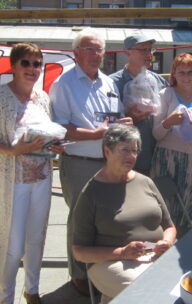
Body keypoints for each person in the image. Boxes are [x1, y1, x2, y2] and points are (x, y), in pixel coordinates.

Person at [0, 42, 61, 304]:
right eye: (26, 62)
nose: (32, 68)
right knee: (13, 246)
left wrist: (55, 145)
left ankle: (32, 290)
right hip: (12, 182)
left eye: (37, 63)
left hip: (42, 178)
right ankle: (6, 298)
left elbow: (44, 135)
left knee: (36, 238)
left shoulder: (43, 98)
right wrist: (11, 151)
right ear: (13, 66)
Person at [49, 28, 133, 295]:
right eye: (89, 49)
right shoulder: (64, 84)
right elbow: (59, 128)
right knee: (79, 220)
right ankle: (78, 275)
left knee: (104, 219)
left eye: (99, 49)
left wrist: (124, 123)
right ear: (76, 53)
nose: (95, 54)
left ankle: (99, 271)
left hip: (108, 163)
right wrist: (96, 134)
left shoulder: (108, 83)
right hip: (79, 162)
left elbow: (114, 118)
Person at [71, 124, 176, 304]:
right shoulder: (91, 193)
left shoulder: (145, 182)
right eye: (124, 150)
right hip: (110, 261)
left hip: (156, 255)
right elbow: (79, 252)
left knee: (189, 278)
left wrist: (166, 242)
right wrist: (122, 252)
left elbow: (169, 226)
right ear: (107, 151)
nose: (131, 156)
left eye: (134, 150)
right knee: (148, 290)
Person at [110, 32, 192, 176]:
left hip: (157, 157)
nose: (149, 54)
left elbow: (181, 91)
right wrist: (130, 118)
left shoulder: (158, 81)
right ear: (127, 53)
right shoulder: (113, 83)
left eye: (151, 49)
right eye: (143, 50)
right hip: (126, 159)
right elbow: (107, 123)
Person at [151, 53, 192, 236]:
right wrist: (168, 122)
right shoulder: (166, 95)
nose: (186, 76)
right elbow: (156, 133)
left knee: (189, 207)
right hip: (168, 158)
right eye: (181, 72)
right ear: (174, 74)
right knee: (166, 206)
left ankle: (184, 252)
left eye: (190, 72)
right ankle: (162, 249)